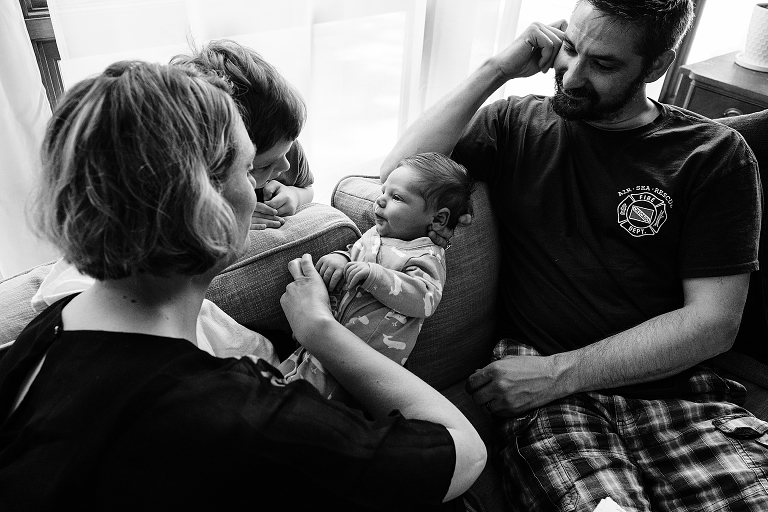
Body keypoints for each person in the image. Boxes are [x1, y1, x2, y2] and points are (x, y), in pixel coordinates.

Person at [0, 61, 486, 511]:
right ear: (204, 200)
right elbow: (462, 450)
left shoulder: (49, 331)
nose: (258, 191)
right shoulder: (238, 419)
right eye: (250, 169)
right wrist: (320, 332)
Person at [381, 0, 768, 511]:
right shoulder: (515, 123)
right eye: (570, 47)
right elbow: (399, 173)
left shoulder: (713, 155)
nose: (572, 75)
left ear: (655, 67)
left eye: (604, 64)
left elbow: (714, 322)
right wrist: (497, 69)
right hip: (550, 399)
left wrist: (561, 371)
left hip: (678, 394)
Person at [279, 152, 473, 403]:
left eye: (396, 197)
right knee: (281, 381)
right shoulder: (376, 234)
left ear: (438, 219)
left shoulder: (426, 255)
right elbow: (355, 252)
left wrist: (376, 276)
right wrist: (342, 258)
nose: (380, 201)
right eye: (384, 191)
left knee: (308, 403)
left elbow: (426, 298)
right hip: (326, 340)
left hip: (360, 364)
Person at [171, 39, 315, 230]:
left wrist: (295, 195)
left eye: (286, 151)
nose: (285, 165)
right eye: (264, 166)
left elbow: (307, 188)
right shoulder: (196, 186)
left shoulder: (286, 150)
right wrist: (232, 218)